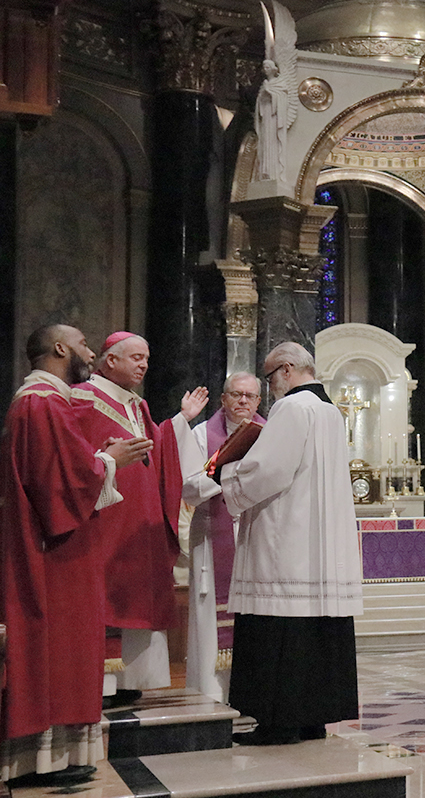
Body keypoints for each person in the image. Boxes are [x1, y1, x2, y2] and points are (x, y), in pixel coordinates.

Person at [0, 326, 152, 786]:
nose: (91, 351)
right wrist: (110, 462)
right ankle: (39, 762)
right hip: (54, 554)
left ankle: (58, 756)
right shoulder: (43, 402)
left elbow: (60, 469)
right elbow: (57, 487)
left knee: (65, 647)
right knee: (54, 647)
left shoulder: (44, 400)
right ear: (61, 349)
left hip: (57, 548)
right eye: (85, 343)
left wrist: (96, 459)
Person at [221, 343, 363, 745]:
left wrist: (228, 473)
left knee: (279, 628)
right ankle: (312, 719)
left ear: (285, 370)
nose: (269, 390)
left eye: (269, 379)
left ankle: (278, 723)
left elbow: (270, 469)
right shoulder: (330, 412)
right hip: (320, 545)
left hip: (287, 539)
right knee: (315, 632)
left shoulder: (292, 408)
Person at [71, 332, 207, 703]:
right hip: (107, 518)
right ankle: (100, 683)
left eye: (146, 358)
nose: (144, 365)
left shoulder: (137, 404)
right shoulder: (81, 398)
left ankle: (133, 680)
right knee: (108, 594)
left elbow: (156, 449)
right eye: (135, 358)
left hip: (141, 520)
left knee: (139, 593)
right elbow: (72, 457)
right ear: (110, 360)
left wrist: (181, 421)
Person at [180, 373, 265, 701]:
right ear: (223, 400)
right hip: (213, 543)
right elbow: (188, 486)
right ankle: (210, 698)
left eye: (250, 396)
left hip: (258, 541)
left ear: (259, 401)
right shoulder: (202, 435)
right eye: (236, 394)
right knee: (209, 629)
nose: (243, 401)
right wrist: (228, 472)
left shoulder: (271, 435)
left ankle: (251, 698)